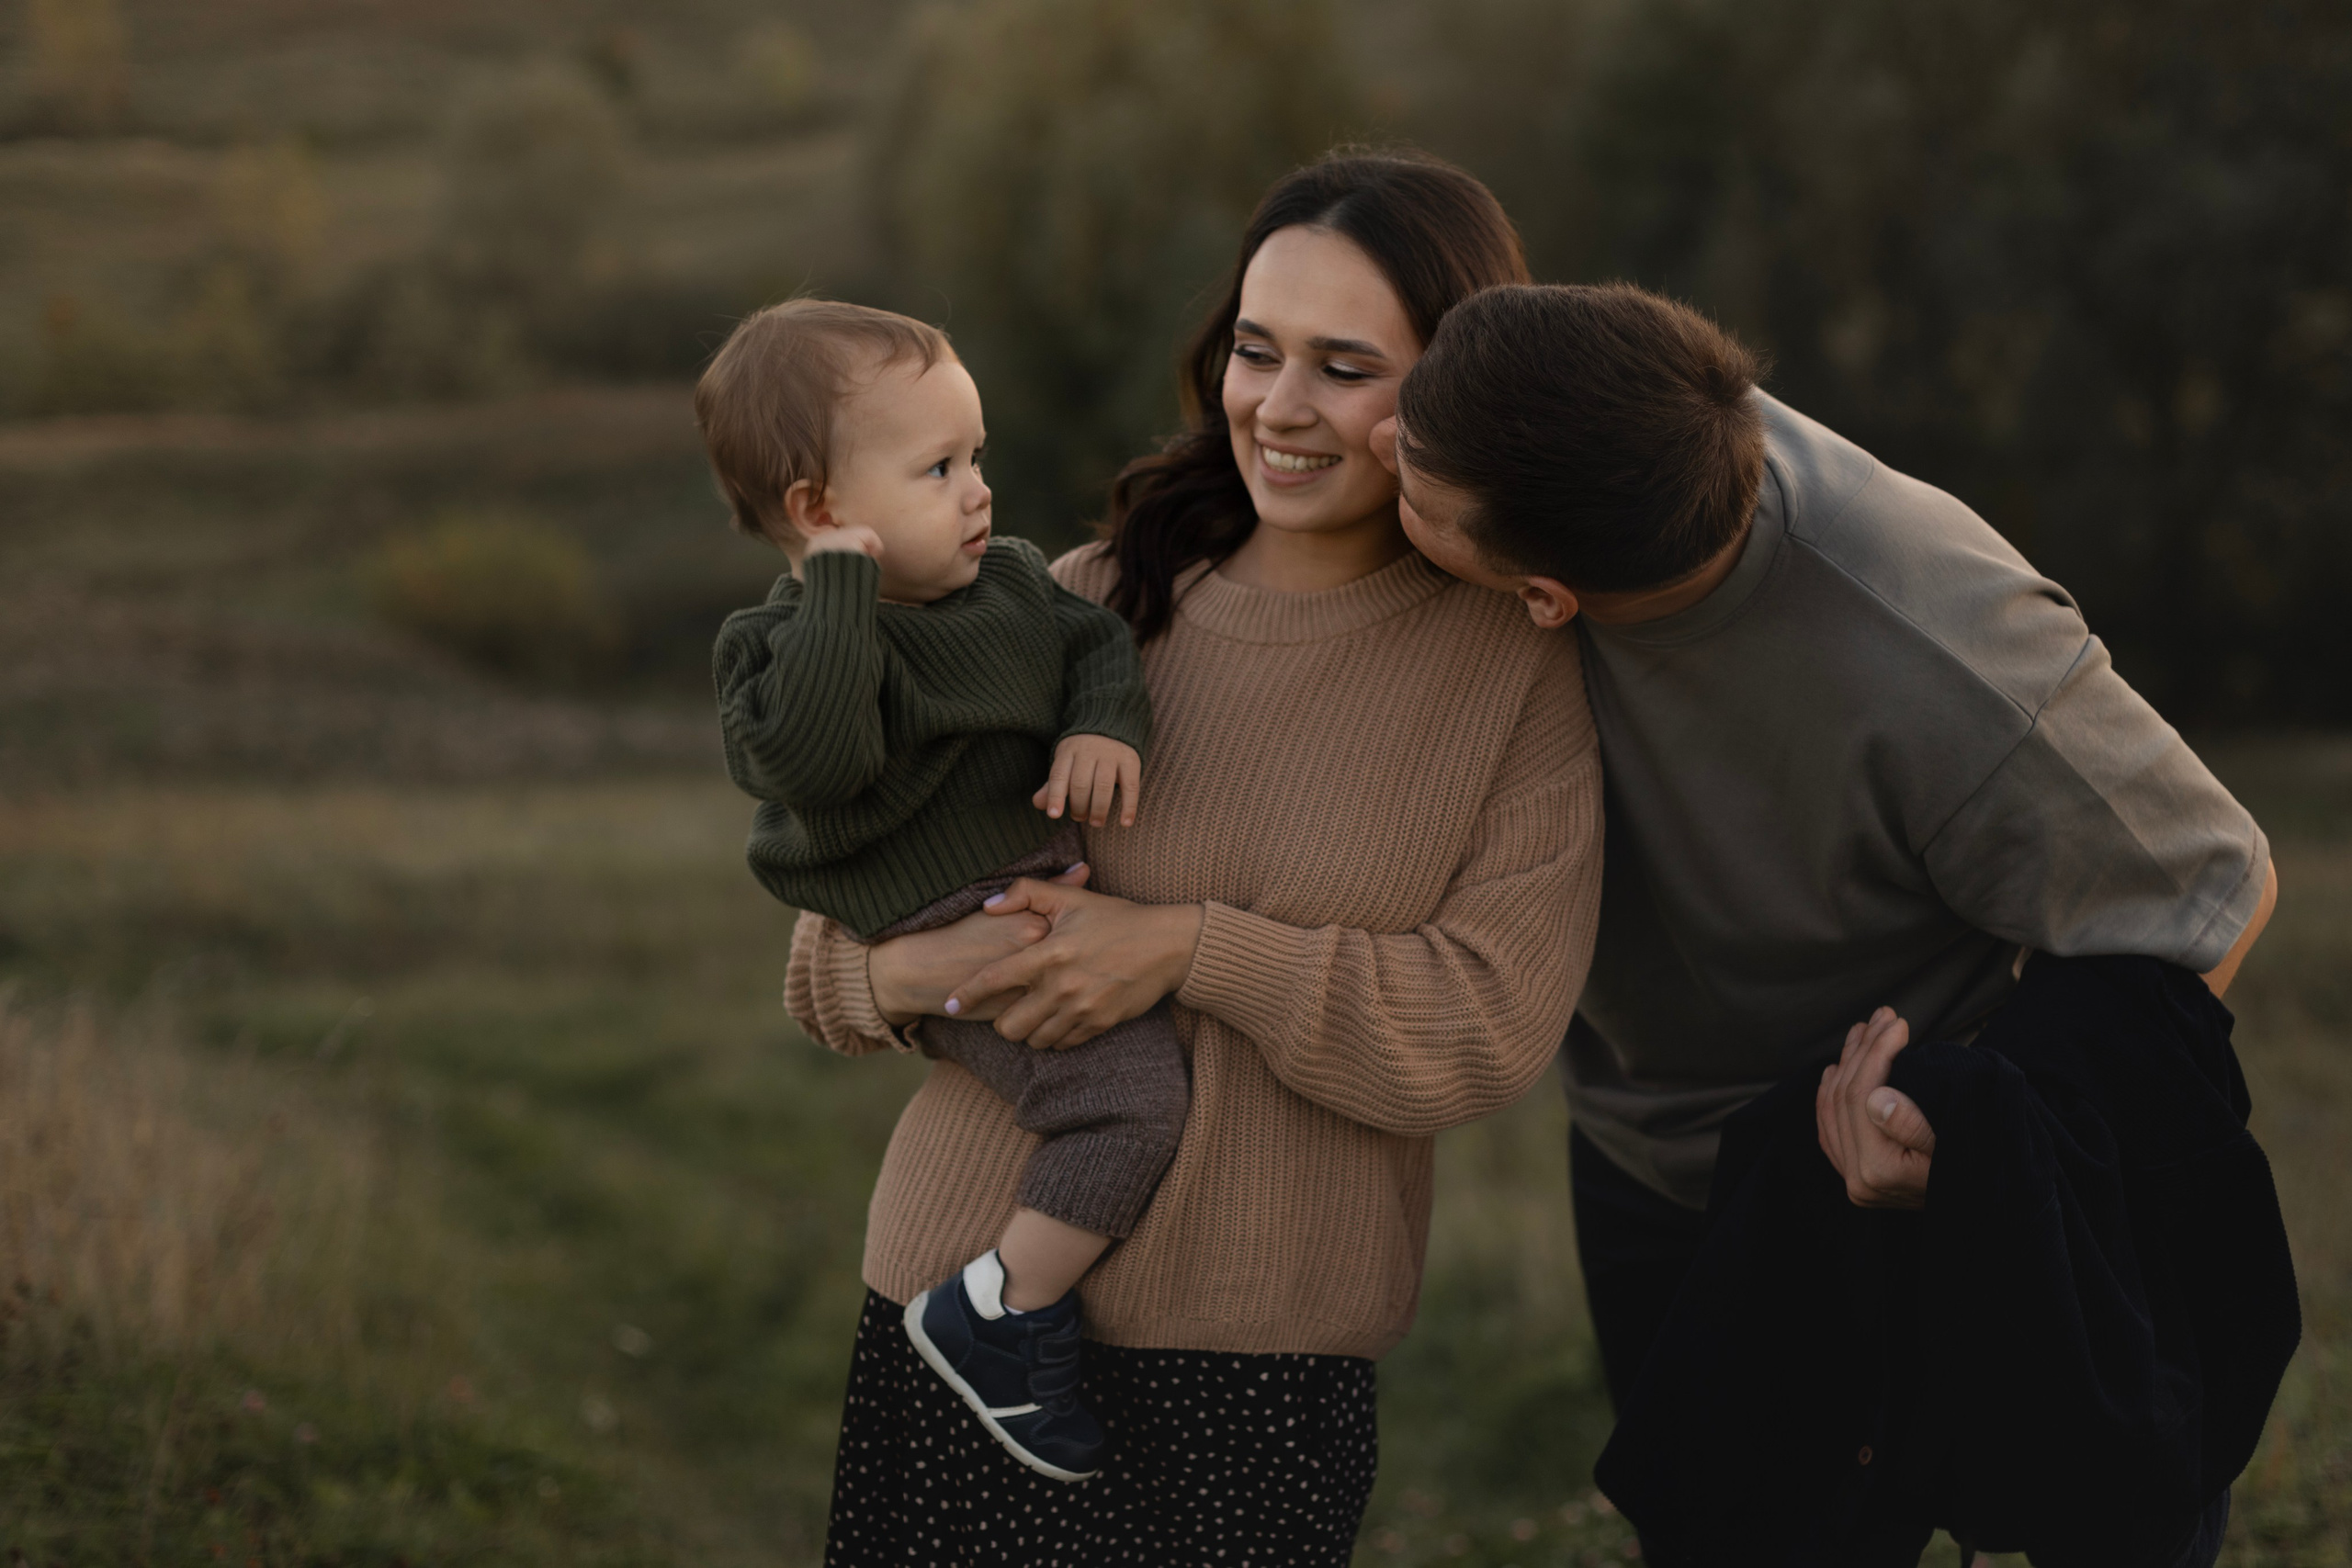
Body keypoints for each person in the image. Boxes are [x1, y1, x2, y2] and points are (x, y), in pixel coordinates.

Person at [784, 151, 1601, 1566]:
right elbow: (829, 941)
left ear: (1454, 392)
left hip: (1256, 1379)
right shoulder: (1076, 604)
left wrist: (1187, 949)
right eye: (1255, 349)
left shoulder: (1517, 668)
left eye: (1345, 367)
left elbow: (1485, 1027)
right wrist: (930, 966)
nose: (1279, 410)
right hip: (949, 1307)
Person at [1383, 280, 2278, 1493]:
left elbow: (2215, 888)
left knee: (2098, 1511)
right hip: (1647, 1150)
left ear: (1546, 598)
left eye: (1417, 495)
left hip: (1894, 1181)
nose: (1380, 442)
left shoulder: (1941, 652)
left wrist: (1969, 1131)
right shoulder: (1593, 435)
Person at [698, 298, 1183, 1483]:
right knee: (1127, 1101)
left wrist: (1103, 728)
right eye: (937, 468)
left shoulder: (1013, 584)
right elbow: (820, 763)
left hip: (1022, 893)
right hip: (940, 920)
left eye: (978, 458)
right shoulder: (773, 655)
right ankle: (1002, 1312)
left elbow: (1094, 646)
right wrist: (839, 596)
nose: (979, 492)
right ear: (820, 516)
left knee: (1125, 1078)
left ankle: (1010, 1307)